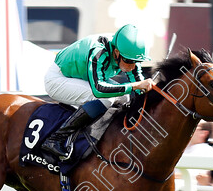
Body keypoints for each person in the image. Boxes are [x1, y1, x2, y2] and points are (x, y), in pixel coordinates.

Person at [42, 24, 154, 159]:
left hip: (82, 78)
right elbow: (99, 90)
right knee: (107, 99)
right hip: (58, 79)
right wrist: (135, 86)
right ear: (117, 53)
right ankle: (56, 139)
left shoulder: (127, 53)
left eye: (136, 62)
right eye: (129, 61)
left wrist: (150, 92)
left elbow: (138, 83)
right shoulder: (98, 51)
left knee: (125, 97)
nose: (132, 66)